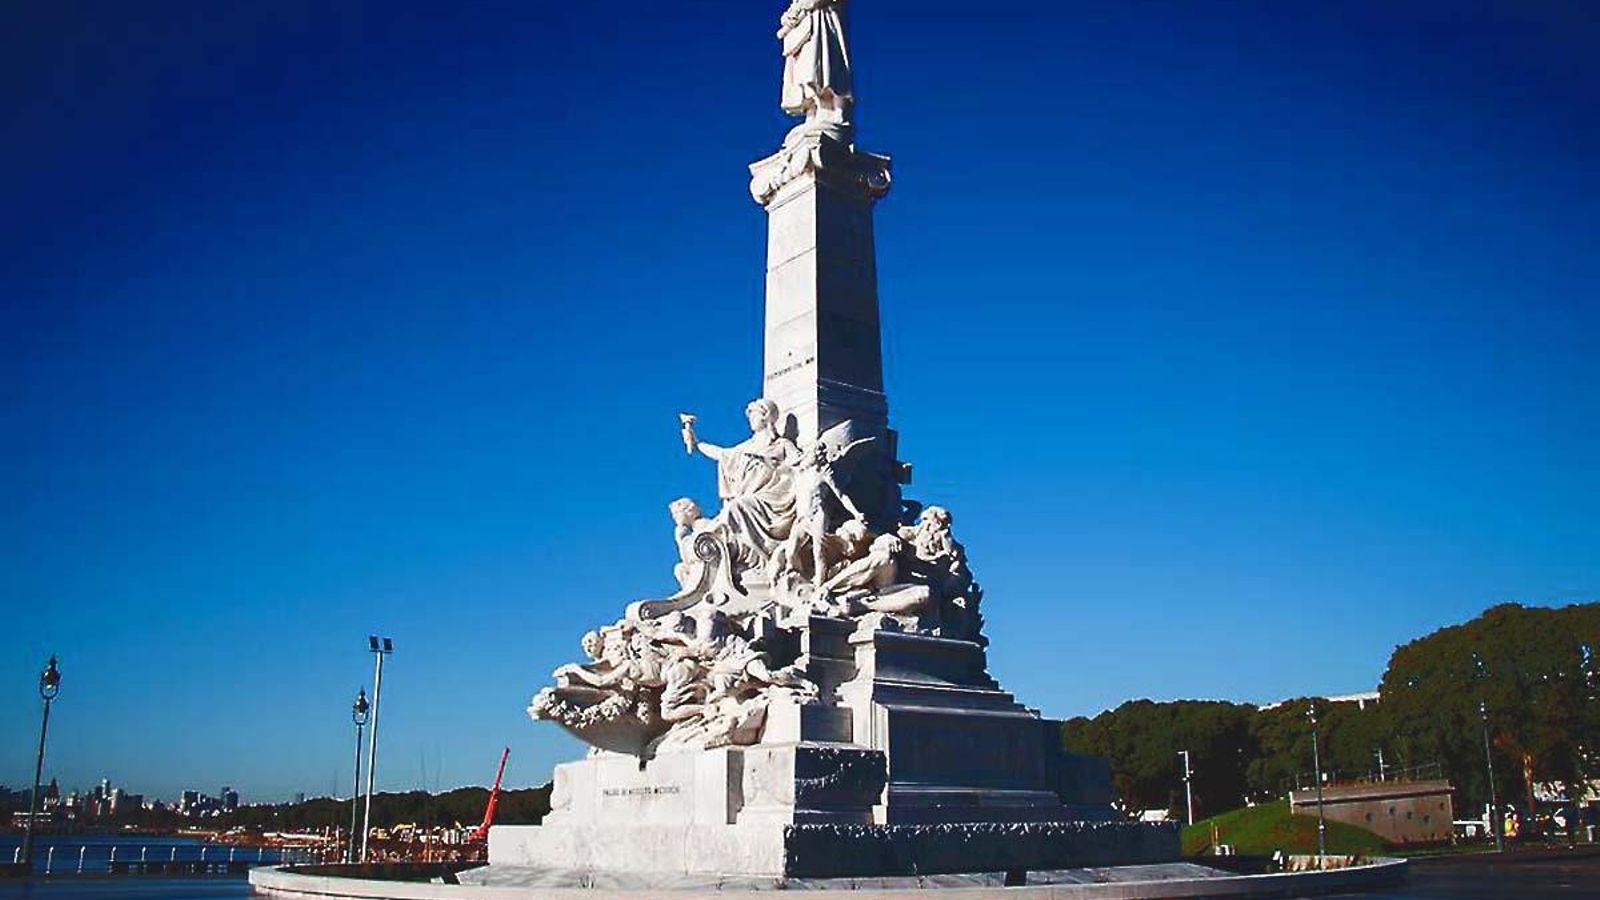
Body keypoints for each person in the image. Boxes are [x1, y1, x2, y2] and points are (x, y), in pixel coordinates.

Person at [681, 399, 802, 568]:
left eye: (754, 414)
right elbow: (722, 454)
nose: (750, 419)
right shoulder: (746, 447)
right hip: (753, 498)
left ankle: (751, 555)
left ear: (766, 416)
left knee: (736, 507)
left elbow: (800, 462)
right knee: (735, 507)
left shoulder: (782, 444)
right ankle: (718, 548)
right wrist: (697, 443)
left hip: (776, 497)